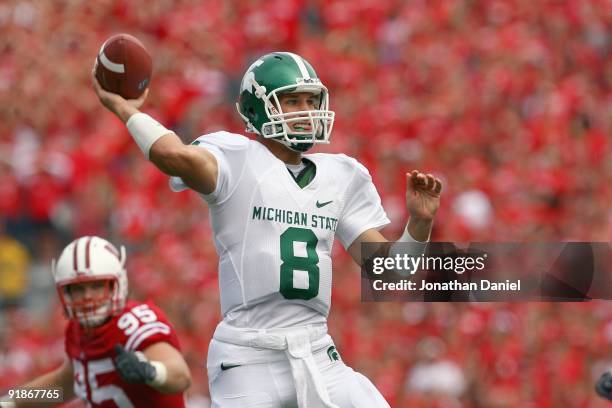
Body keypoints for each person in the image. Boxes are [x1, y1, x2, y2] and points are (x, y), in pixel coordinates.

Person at [92, 51, 442, 407]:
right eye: (291, 101)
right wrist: (126, 109)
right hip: (247, 354)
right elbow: (173, 156)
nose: (306, 111)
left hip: (316, 350)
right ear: (257, 110)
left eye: (310, 100)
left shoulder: (342, 175)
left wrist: (420, 223)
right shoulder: (235, 158)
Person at [1, 236, 191, 407]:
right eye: (78, 289)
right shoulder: (79, 331)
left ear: (117, 284)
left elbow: (180, 376)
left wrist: (151, 371)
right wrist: (8, 402)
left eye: (97, 286)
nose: (88, 296)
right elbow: (60, 388)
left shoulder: (134, 323)